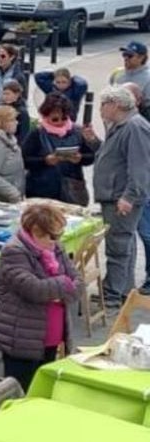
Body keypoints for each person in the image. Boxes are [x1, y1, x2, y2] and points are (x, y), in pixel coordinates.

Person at [0, 204, 80, 390]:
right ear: (35, 231)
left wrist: (56, 291)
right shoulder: (14, 251)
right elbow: (34, 289)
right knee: (19, 393)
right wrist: (63, 285)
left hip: (51, 337)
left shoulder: (56, 248)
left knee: (41, 392)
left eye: (58, 236)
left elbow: (79, 283)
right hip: (22, 339)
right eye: (51, 236)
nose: (55, 241)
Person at [94, 86, 150, 305]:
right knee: (119, 243)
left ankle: (113, 294)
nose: (100, 110)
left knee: (118, 245)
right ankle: (119, 289)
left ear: (115, 105)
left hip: (121, 197)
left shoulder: (135, 127)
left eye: (103, 104)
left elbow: (140, 167)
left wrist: (129, 197)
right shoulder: (120, 125)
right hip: (113, 194)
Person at [22, 93, 98, 206]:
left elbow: (91, 156)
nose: (60, 122)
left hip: (71, 188)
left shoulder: (77, 131)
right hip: (42, 189)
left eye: (64, 118)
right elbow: (25, 160)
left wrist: (80, 158)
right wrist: (45, 160)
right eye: (55, 119)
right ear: (46, 116)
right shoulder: (36, 134)